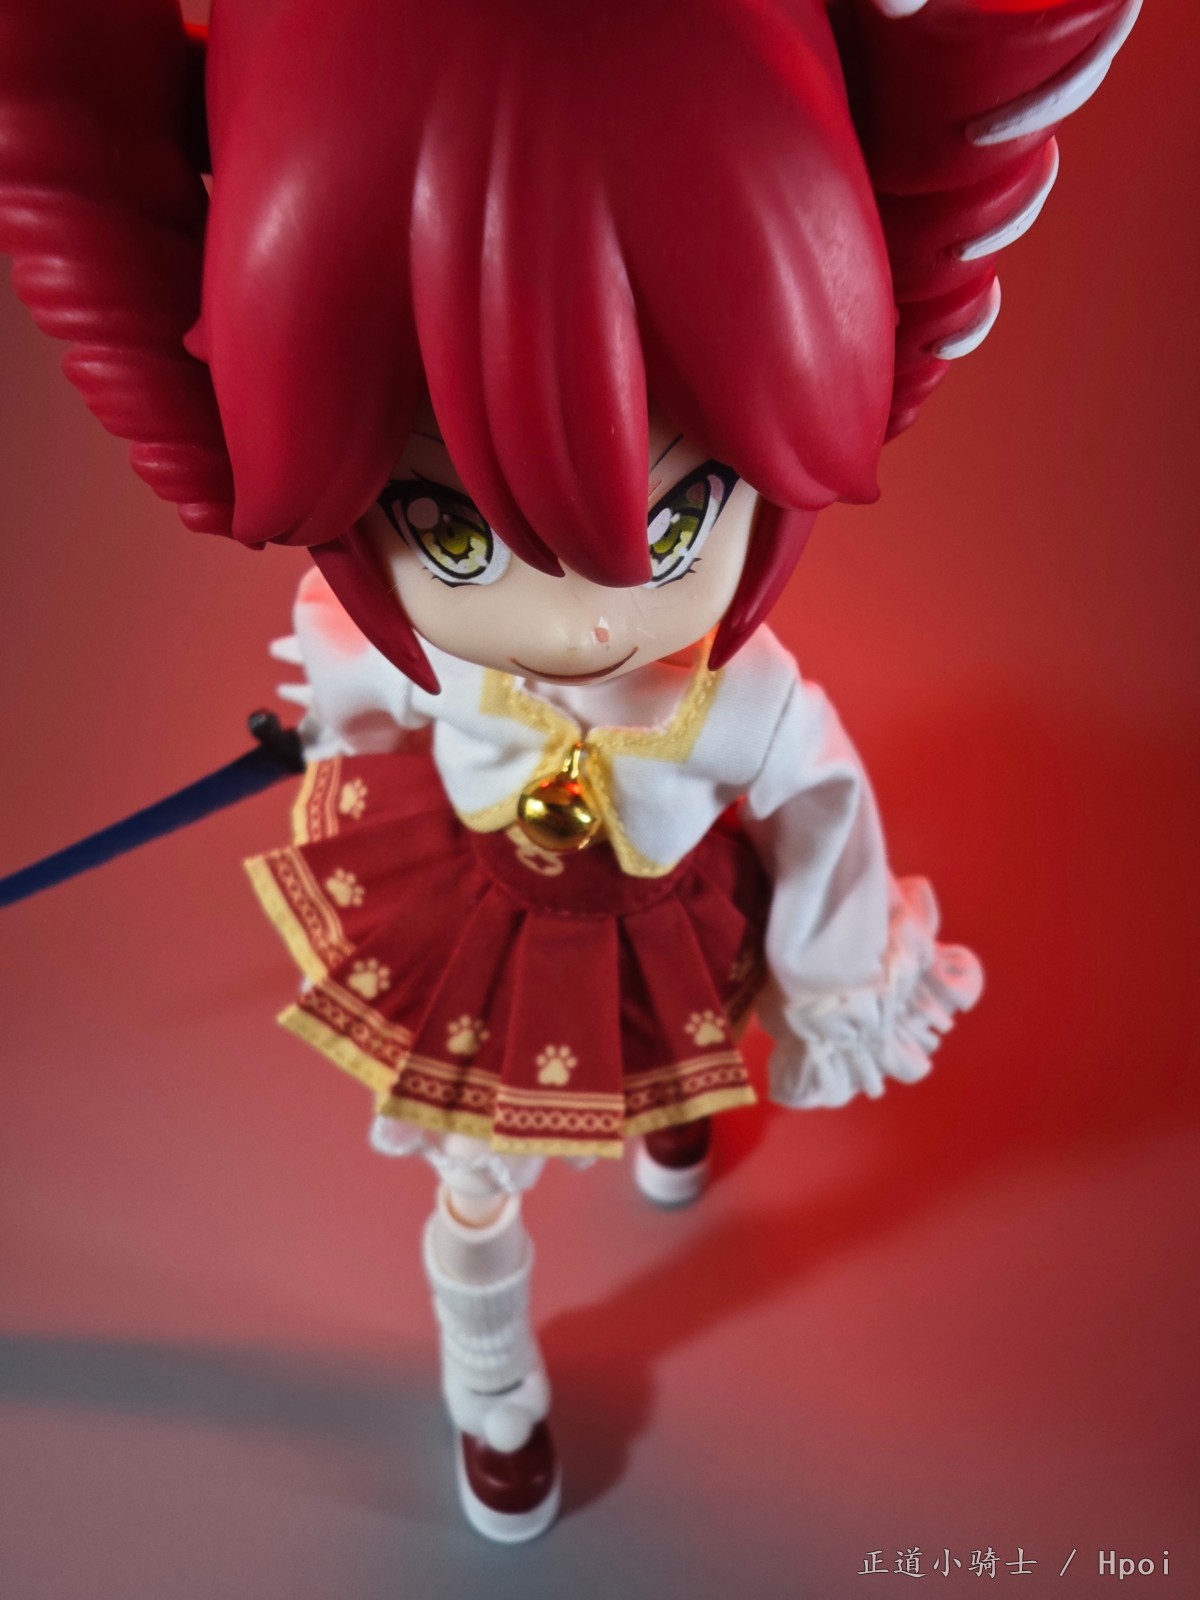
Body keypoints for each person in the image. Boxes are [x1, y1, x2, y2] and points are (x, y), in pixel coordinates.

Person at [0, 0, 1139, 1543]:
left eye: (679, 518)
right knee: (476, 1174)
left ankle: (671, 1122)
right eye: (449, 532)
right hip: (490, 922)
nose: (578, 620)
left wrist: (830, 972)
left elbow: (825, 808)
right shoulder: (422, 650)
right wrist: (339, 716)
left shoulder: (736, 698)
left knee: (688, 1024)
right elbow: (358, 673)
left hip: (663, 906)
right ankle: (494, 1382)